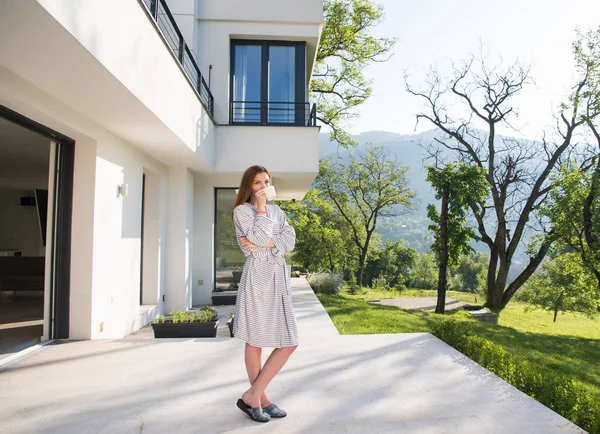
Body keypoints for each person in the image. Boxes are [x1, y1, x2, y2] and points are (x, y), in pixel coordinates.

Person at [231, 165, 299, 423]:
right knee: (256, 340)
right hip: (258, 277)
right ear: (248, 186)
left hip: (278, 278)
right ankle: (261, 399)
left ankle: (252, 395)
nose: (262, 187)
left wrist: (268, 241)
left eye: (266, 182)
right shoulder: (242, 212)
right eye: (257, 183)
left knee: (289, 341)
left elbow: (289, 240)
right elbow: (259, 235)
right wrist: (261, 212)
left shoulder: (277, 211)